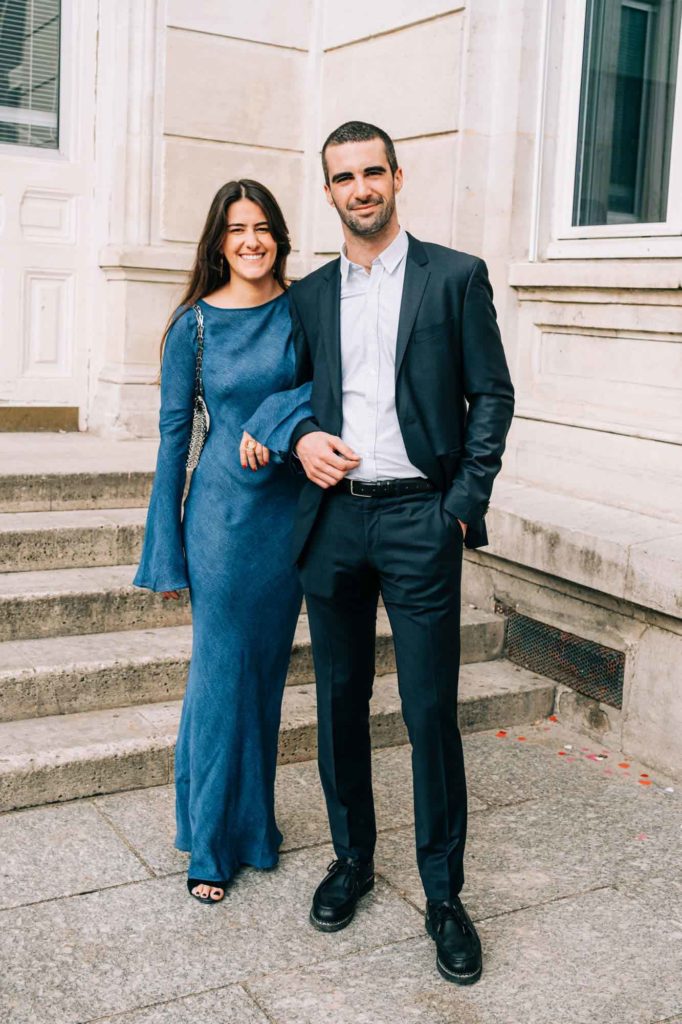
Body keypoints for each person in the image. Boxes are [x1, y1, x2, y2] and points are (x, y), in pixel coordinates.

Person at [286, 121, 515, 984]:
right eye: (343, 177)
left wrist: (463, 503)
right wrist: (304, 434)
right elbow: (288, 396)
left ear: (397, 176)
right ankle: (352, 859)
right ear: (330, 190)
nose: (361, 189)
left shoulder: (454, 276)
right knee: (340, 700)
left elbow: (491, 393)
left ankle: (444, 895)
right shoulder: (310, 295)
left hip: (423, 518)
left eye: (372, 172)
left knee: (427, 712)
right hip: (335, 520)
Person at [133, 179, 314, 905]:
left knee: (262, 682)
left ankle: (252, 830)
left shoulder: (303, 311)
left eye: (262, 226)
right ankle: (209, 844)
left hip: (288, 519)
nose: (251, 241)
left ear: (279, 235)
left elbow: (335, 388)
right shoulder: (194, 328)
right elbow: (174, 439)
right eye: (236, 229)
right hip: (221, 522)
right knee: (217, 681)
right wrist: (164, 548)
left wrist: (274, 416)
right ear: (216, 241)